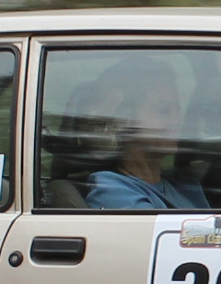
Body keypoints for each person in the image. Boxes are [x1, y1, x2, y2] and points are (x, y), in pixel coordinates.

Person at [81, 59, 211, 210]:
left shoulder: (185, 185)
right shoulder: (113, 191)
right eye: (163, 110)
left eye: (178, 109)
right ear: (124, 120)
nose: (177, 120)